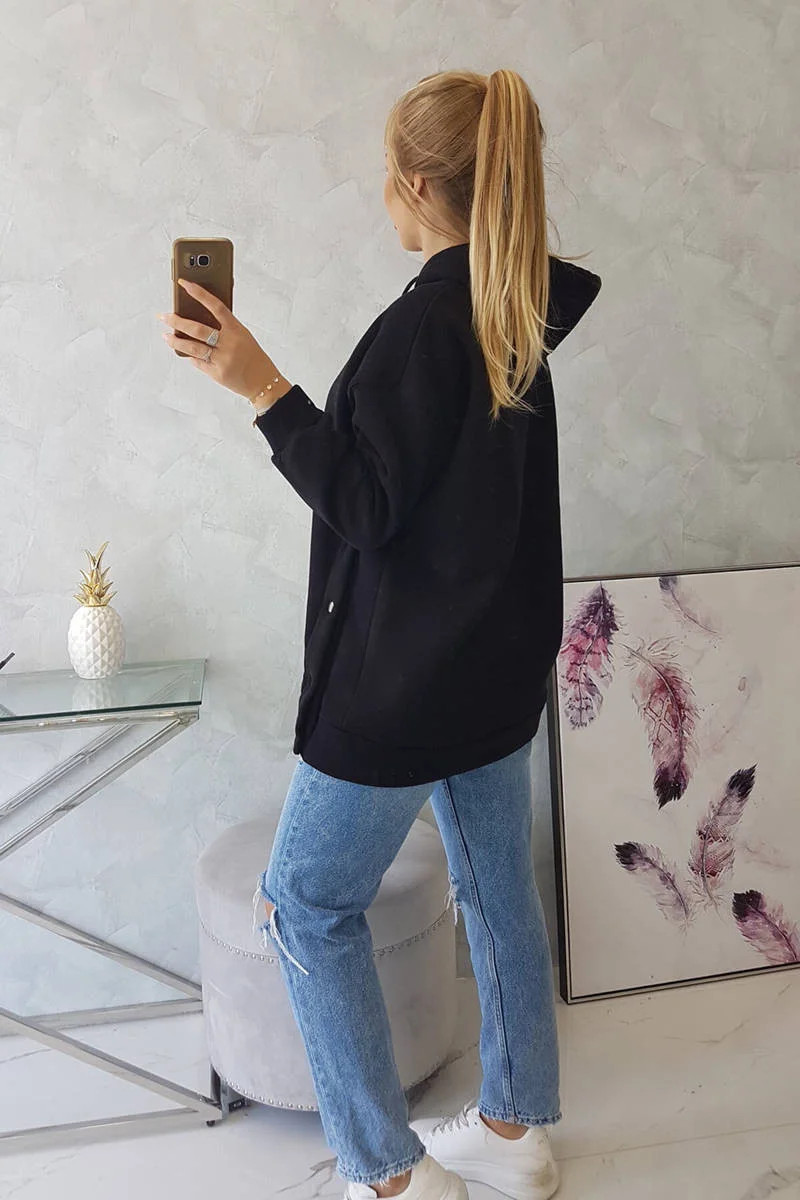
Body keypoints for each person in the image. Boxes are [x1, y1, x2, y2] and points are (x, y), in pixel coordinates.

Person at [159, 65, 601, 1200]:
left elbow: (364, 506)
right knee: (494, 892)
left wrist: (261, 386)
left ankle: (391, 1177)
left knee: (303, 905)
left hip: (401, 688)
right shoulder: (511, 313)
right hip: (492, 676)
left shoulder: (428, 327)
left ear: (413, 183)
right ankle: (514, 1132)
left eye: (381, 176)